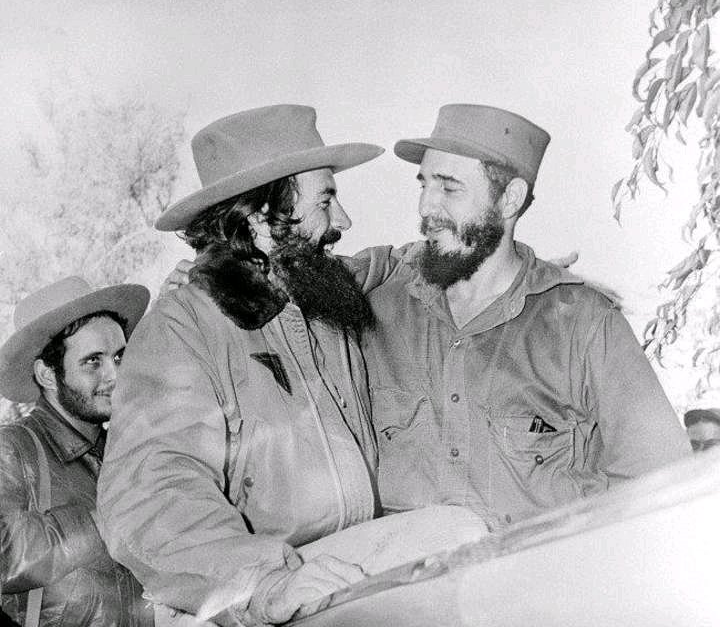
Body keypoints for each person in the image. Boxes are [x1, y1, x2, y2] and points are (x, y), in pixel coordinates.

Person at [96, 104, 389, 626]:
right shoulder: (180, 329)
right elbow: (152, 495)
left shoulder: (318, 293)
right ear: (260, 215)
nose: (344, 221)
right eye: (326, 200)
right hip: (257, 600)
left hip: (342, 576)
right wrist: (261, 583)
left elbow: (396, 265)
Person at [358, 104, 692, 528]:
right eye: (424, 185)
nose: (426, 207)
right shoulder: (378, 311)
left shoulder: (584, 324)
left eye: (449, 188)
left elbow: (663, 484)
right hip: (399, 568)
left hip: (539, 567)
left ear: (510, 198)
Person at [0, 276, 153, 626]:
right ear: (47, 375)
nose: (115, 375)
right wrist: (100, 520)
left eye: (119, 357)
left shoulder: (121, 449)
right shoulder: (12, 448)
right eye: (93, 361)